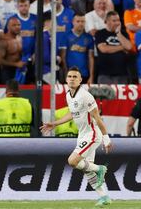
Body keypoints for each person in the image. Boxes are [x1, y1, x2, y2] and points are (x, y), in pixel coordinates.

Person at [40, 66, 113, 207]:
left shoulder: (86, 96)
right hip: (82, 135)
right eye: (70, 77)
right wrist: (54, 124)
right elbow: (72, 114)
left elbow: (98, 119)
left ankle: (100, 169)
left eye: (75, 77)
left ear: (80, 80)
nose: (72, 79)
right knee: (87, 169)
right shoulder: (69, 95)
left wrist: (106, 138)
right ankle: (104, 197)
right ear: (66, 79)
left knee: (73, 161)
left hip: (92, 135)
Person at [95, 10, 132, 84]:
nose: (117, 23)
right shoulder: (100, 33)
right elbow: (104, 49)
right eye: (114, 21)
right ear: (107, 21)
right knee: (104, 95)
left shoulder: (124, 33)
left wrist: (118, 33)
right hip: (105, 74)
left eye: (118, 20)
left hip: (122, 74)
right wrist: (122, 47)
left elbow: (129, 47)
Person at [61, 13, 95, 84]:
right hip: (70, 75)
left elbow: (91, 58)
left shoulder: (89, 38)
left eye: (82, 21)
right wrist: (65, 74)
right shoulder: (66, 36)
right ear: (73, 22)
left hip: (84, 74)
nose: (80, 24)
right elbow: (63, 57)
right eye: (78, 21)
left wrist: (91, 76)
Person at [0, 17, 24, 84]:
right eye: (14, 25)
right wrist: (16, 64)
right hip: (7, 72)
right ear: (8, 27)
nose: (17, 27)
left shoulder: (19, 38)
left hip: (18, 71)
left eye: (19, 25)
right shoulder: (4, 41)